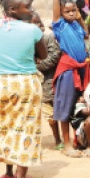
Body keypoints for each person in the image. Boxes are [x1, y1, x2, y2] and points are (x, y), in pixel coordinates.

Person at [0, 0, 47, 178]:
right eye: (27, 7)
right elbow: (43, 55)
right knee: (25, 130)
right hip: (25, 84)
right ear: (12, 9)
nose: (31, 10)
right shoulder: (32, 30)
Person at [52, 0, 90, 158]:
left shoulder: (76, 25)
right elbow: (55, 8)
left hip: (81, 69)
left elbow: (86, 34)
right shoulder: (60, 25)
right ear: (61, 13)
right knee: (65, 107)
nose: (71, 14)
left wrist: (80, 18)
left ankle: (77, 140)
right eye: (66, 11)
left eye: (73, 10)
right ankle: (66, 144)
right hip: (68, 70)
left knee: (78, 105)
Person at [32, 14, 62, 151]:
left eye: (39, 23)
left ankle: (61, 139)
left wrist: (34, 66)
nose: (38, 26)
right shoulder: (25, 42)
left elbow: (54, 57)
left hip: (51, 81)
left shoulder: (47, 38)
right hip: (37, 84)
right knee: (48, 115)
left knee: (59, 110)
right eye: (34, 23)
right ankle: (57, 138)